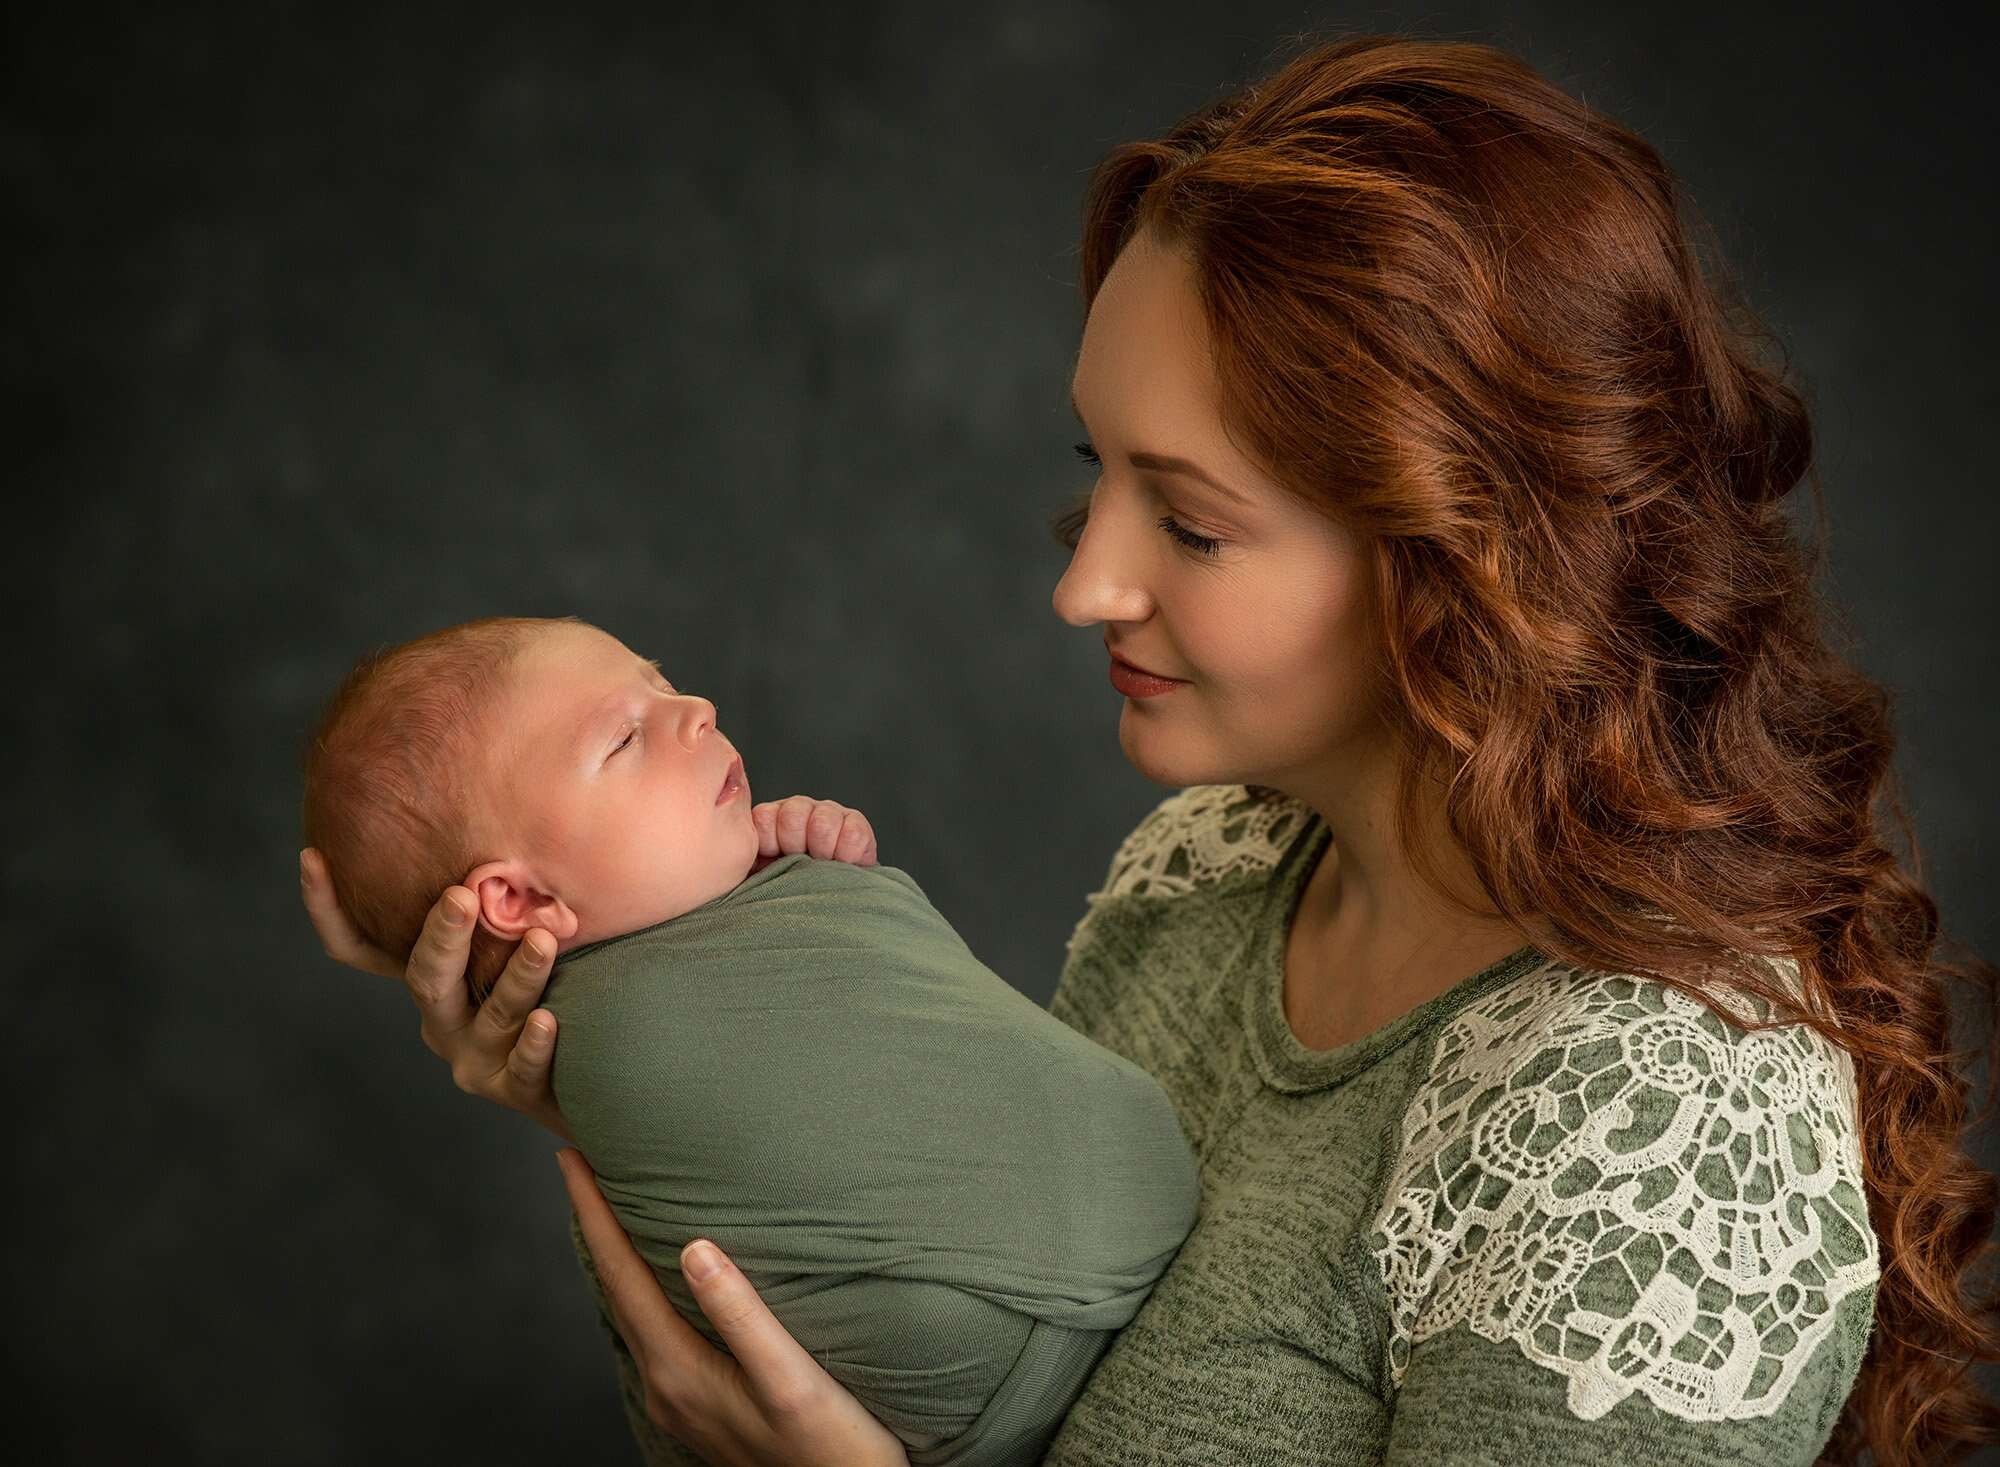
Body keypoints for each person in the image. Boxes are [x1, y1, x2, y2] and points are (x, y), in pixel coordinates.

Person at [301, 31, 2000, 1467]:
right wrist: (602, 1035)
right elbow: (934, 1331)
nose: (1079, 583)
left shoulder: (1658, 1132)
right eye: (1096, 472)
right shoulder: (1206, 878)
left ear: (1465, 555)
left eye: (1187, 522)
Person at [298, 613, 1202, 1467]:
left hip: (1021, 1318)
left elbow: (881, 1049)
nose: (696, 712)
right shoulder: (615, 1038)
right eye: (625, 737)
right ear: (518, 901)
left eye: (664, 685)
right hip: (991, 1349)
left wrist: (810, 872)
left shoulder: (659, 979)